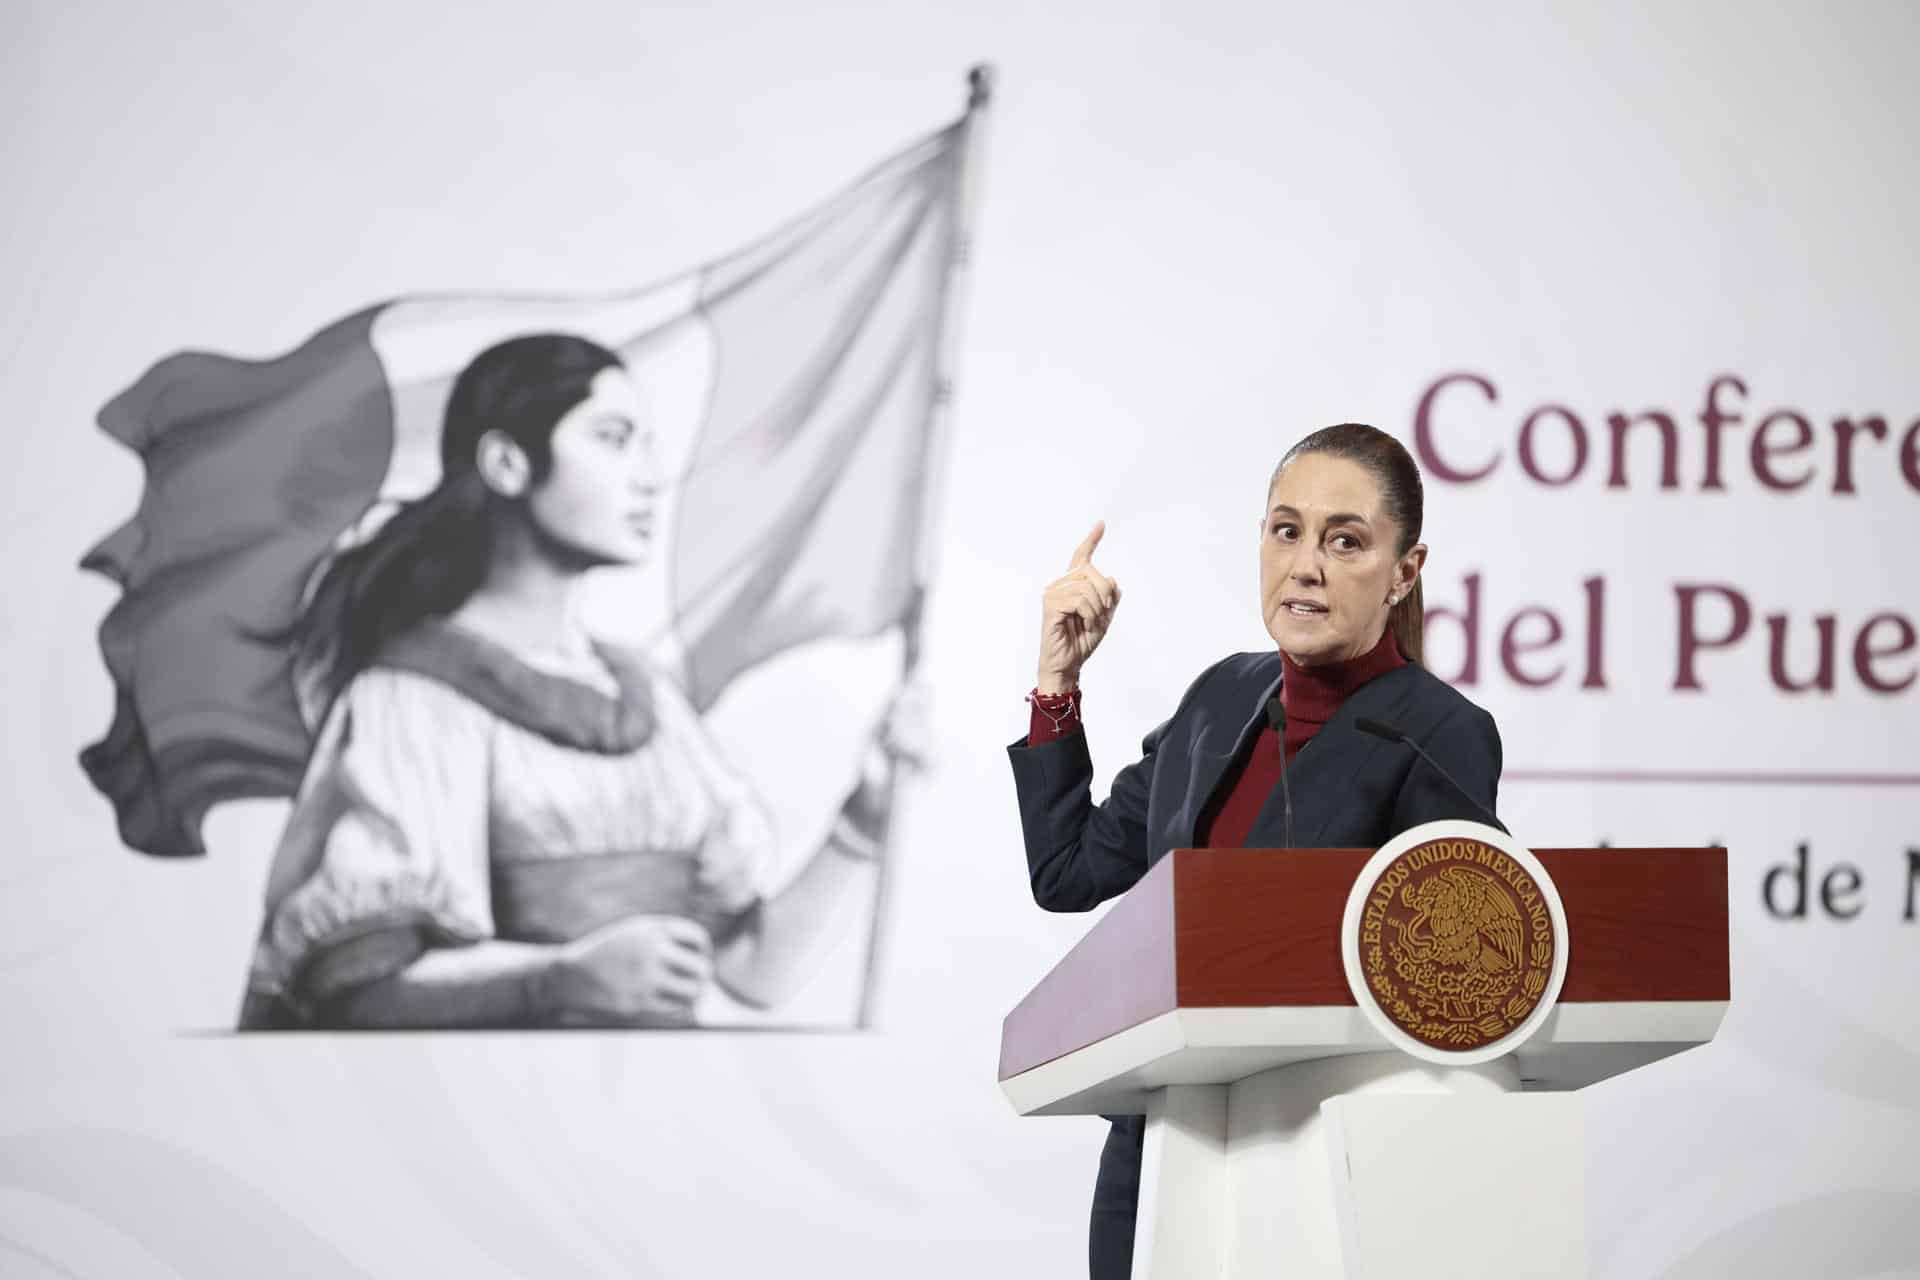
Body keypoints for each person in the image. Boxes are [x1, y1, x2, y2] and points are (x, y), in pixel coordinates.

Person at [239, 332, 910, 1029]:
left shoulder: (645, 697)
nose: (649, 476)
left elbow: (753, 970)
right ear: (506, 462)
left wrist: (863, 818)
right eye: (613, 439)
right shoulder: (413, 697)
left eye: (647, 444)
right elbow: (357, 991)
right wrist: (557, 980)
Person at [1006, 422, 1503, 1277]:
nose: (1305, 564)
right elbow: (1068, 870)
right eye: (1286, 530)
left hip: (1314, 1156)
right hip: (1157, 1143)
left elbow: (1457, 980)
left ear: (1404, 572)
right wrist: (1059, 682)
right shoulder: (1219, 696)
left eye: (1345, 541)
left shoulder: (1440, 732)